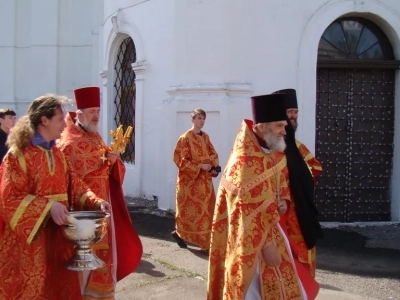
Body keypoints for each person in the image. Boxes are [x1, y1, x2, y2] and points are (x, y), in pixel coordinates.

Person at [0, 94, 110, 299]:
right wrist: (48, 207)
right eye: (60, 120)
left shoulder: (57, 154)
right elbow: (9, 198)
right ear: (44, 120)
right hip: (29, 243)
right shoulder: (18, 155)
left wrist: (96, 201)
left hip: (59, 240)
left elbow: (74, 185)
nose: (64, 124)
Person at [207, 93, 306, 300]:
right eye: (279, 126)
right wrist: (267, 246)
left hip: (272, 230)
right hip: (251, 247)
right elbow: (245, 211)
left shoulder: (267, 150)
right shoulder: (243, 162)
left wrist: (282, 201)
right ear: (262, 127)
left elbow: (279, 179)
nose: (284, 131)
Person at [57, 86, 142, 299]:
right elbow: (69, 180)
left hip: (103, 206)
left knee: (105, 256)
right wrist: (105, 165)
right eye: (92, 111)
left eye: (98, 111)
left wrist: (113, 163)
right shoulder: (69, 143)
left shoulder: (95, 136)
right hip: (82, 213)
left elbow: (109, 167)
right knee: (85, 260)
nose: (96, 116)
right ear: (80, 114)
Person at [274, 89, 323, 281]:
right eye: (289, 111)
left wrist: (304, 181)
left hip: (302, 213)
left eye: (296, 111)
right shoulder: (274, 147)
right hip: (283, 215)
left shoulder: (297, 144)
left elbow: (316, 167)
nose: (293, 116)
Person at [172, 108, 220, 251]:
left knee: (207, 212)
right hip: (190, 185)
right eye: (199, 118)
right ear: (192, 120)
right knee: (190, 214)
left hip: (205, 183)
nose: (201, 121)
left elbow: (213, 153)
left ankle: (206, 243)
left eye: (203, 119)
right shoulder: (185, 138)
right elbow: (180, 160)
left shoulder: (205, 137)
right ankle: (180, 234)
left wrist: (212, 165)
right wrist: (199, 166)